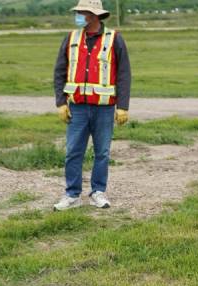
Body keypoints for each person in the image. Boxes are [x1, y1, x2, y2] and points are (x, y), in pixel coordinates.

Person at [53, 0, 131, 210]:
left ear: (94, 16)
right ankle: (72, 195)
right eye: (78, 12)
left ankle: (98, 191)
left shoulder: (114, 39)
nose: (78, 16)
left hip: (104, 108)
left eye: (82, 13)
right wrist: (61, 102)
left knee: (102, 152)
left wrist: (122, 106)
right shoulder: (71, 38)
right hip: (77, 108)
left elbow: (123, 74)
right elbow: (60, 71)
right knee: (73, 152)